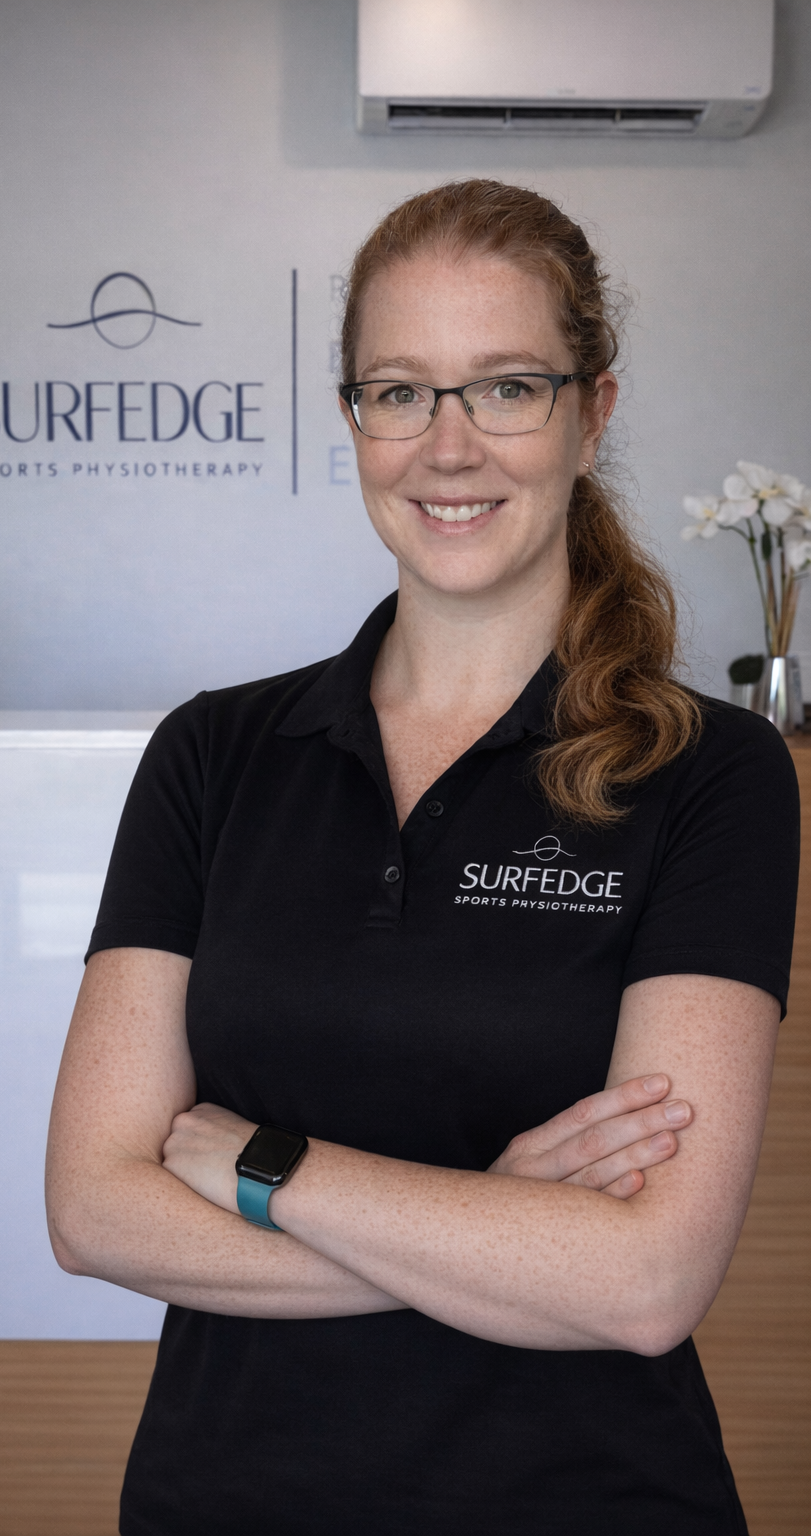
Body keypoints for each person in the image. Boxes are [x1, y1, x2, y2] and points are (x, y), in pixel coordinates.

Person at [45, 180, 799, 1534]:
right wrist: (497, 1225)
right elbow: (96, 1213)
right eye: (398, 393)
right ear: (354, 417)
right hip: (229, 1497)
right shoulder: (213, 756)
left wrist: (269, 1170)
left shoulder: (714, 773)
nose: (447, 447)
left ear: (592, 412)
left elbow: (644, 1287)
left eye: (505, 387)